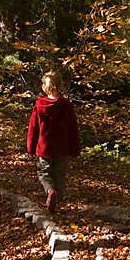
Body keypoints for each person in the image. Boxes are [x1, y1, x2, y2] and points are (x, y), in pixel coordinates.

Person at [26, 71, 81, 213]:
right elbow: (72, 128)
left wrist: (30, 147)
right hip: (62, 148)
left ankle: (50, 192)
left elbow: (33, 128)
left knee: (44, 173)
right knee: (60, 176)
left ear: (46, 87)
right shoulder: (66, 105)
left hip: (44, 149)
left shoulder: (39, 104)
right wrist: (75, 148)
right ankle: (57, 204)